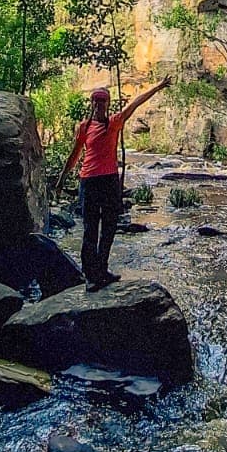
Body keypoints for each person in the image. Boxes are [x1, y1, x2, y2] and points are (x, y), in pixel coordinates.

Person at [57, 77, 171, 292]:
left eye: (102, 101)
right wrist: (62, 179)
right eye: (96, 100)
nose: (99, 104)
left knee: (109, 228)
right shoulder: (84, 127)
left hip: (109, 181)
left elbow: (136, 103)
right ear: (92, 103)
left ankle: (102, 269)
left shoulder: (116, 122)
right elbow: (75, 154)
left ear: (108, 104)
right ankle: (90, 275)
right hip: (89, 181)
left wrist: (158, 86)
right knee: (90, 229)